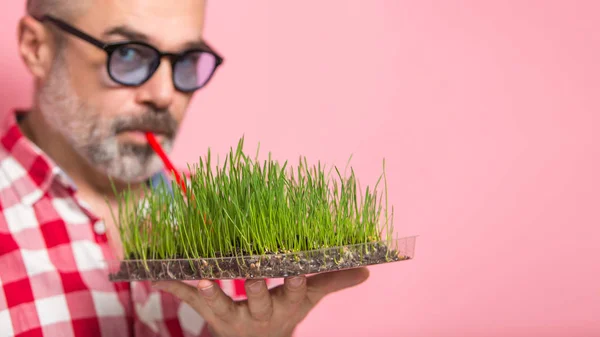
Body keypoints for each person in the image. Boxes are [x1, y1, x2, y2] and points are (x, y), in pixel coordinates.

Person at [0, 1, 370, 336]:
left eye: (185, 60)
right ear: (38, 48)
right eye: (127, 53)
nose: (164, 95)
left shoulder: (225, 221)